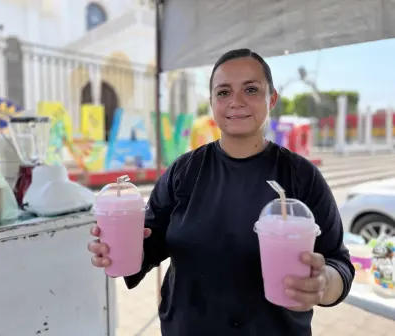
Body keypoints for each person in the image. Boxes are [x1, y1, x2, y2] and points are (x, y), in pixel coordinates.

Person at [88, 48, 355, 336]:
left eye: (251, 89)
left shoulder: (302, 176)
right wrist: (119, 248)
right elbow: (150, 243)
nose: (236, 102)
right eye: (224, 92)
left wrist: (323, 284)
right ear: (212, 102)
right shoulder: (183, 171)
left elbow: (338, 263)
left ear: (272, 98)